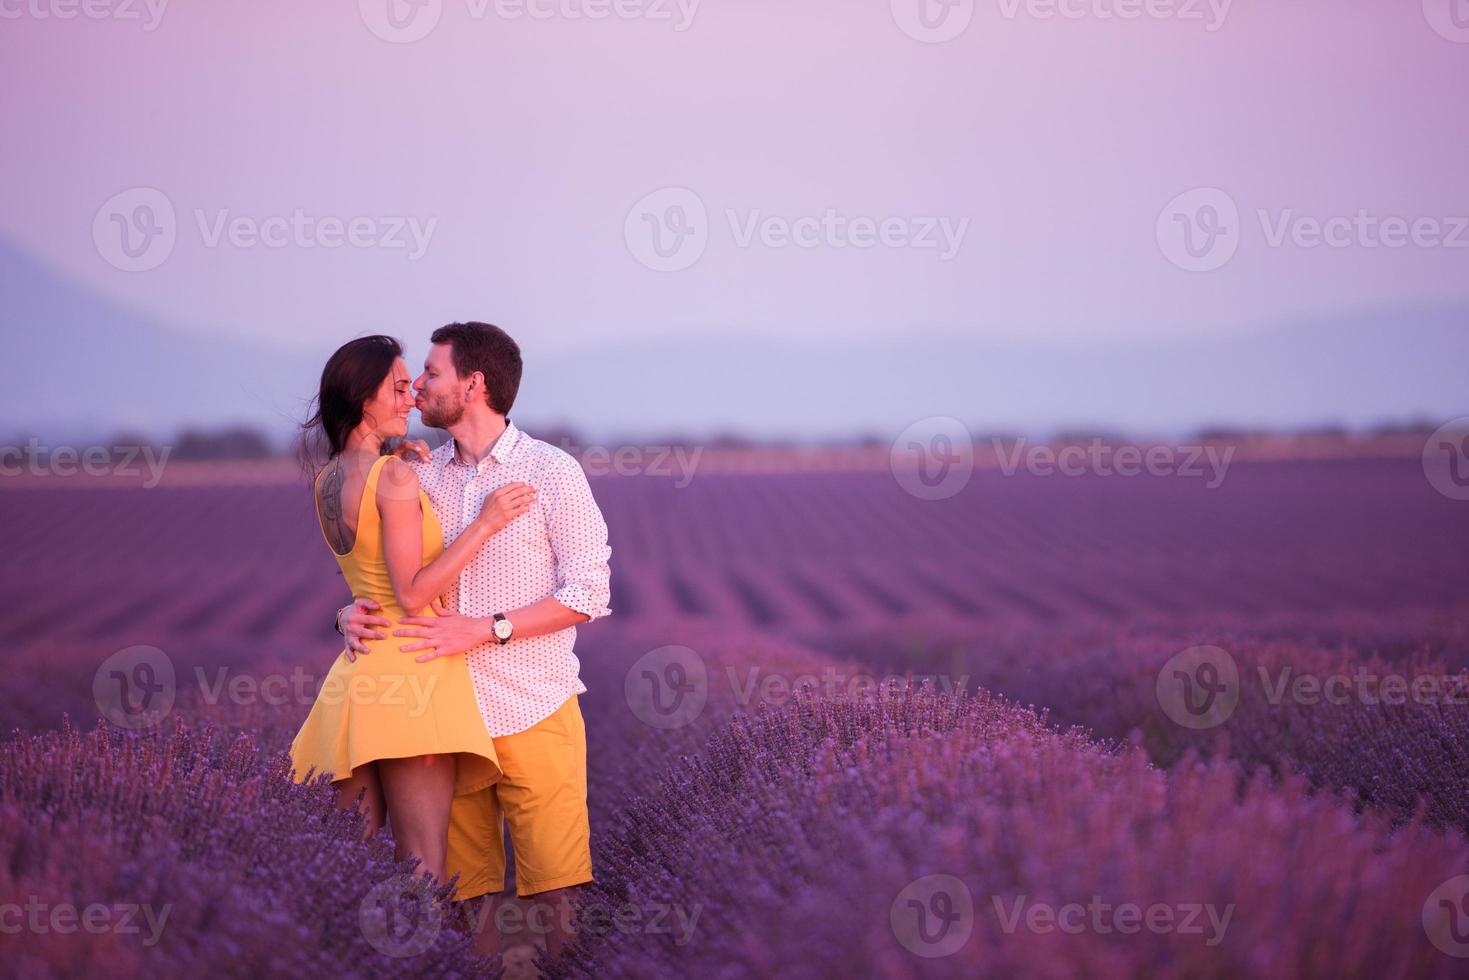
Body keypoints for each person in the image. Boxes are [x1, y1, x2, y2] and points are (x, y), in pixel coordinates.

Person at [338, 321, 613, 962]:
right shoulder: (420, 475)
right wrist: (345, 614)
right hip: (446, 717)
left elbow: (589, 594)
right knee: (467, 899)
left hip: (535, 708)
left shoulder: (551, 471)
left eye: (431, 375)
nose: (417, 390)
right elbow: (393, 577)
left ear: (473, 383)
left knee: (557, 892)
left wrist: (486, 630)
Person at [289, 334, 537, 885]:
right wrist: (486, 523)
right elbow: (412, 593)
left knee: (351, 872)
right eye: (398, 388)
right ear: (363, 397)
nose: (411, 398)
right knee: (424, 873)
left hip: (356, 679)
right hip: (415, 677)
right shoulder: (395, 477)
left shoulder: (328, 479)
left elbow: (366, 577)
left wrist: (342, 614)